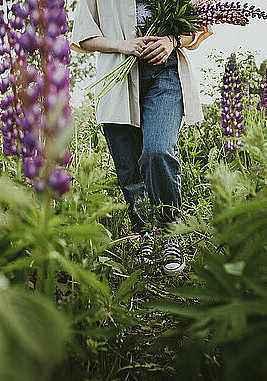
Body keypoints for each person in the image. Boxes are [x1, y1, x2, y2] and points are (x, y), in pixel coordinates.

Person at [71, 0, 212, 275]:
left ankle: (170, 232)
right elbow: (84, 36)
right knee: (128, 166)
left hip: (165, 72)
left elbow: (199, 24)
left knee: (157, 151)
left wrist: (171, 40)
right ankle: (145, 233)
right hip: (117, 72)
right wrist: (123, 45)